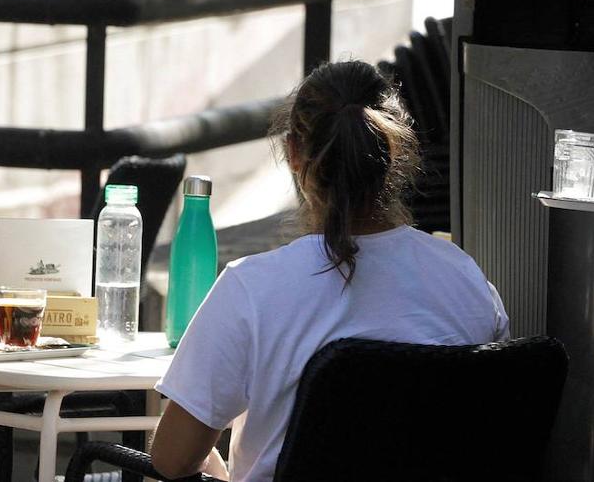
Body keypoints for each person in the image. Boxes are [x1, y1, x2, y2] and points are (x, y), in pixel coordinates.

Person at [150, 60, 509, 481]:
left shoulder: (253, 289)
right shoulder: (465, 279)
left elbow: (173, 461)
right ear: (396, 152)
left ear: (293, 154)